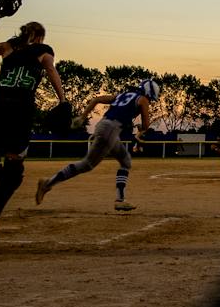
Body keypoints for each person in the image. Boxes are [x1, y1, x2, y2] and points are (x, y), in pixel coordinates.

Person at [0, 10, 66, 248]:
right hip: (19, 110)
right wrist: (63, 100)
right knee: (13, 170)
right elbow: (51, 70)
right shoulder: (43, 49)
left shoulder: (7, 47)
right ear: (39, 36)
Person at [35, 79, 159, 212]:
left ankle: (120, 200)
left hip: (103, 126)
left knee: (125, 161)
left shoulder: (122, 95)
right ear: (148, 92)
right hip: (111, 130)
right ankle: (48, 183)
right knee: (88, 164)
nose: (150, 101)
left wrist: (82, 117)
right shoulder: (143, 99)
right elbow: (146, 125)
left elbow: (96, 100)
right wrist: (141, 128)